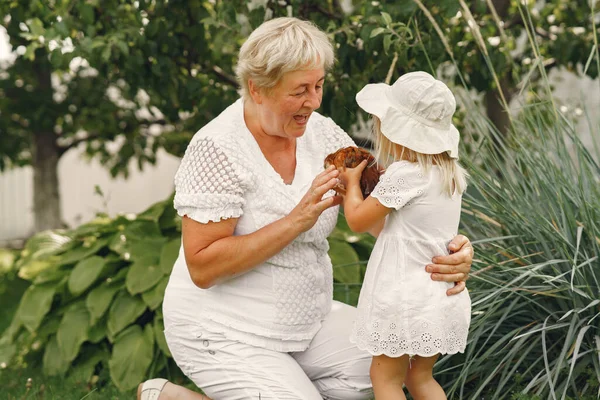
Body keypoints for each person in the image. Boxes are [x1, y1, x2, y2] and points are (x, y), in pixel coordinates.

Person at [137, 18, 473, 400]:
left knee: (388, 364)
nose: (313, 102)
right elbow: (202, 266)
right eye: (300, 91)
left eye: (319, 86)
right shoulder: (216, 148)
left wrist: (448, 252)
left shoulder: (323, 133)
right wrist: (297, 220)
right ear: (257, 89)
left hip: (308, 321)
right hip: (224, 329)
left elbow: (394, 217)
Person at [337, 71, 472, 400]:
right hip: (436, 297)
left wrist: (352, 182)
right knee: (420, 378)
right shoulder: (449, 175)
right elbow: (397, 228)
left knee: (384, 379)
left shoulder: (405, 175)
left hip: (403, 299)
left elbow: (355, 220)